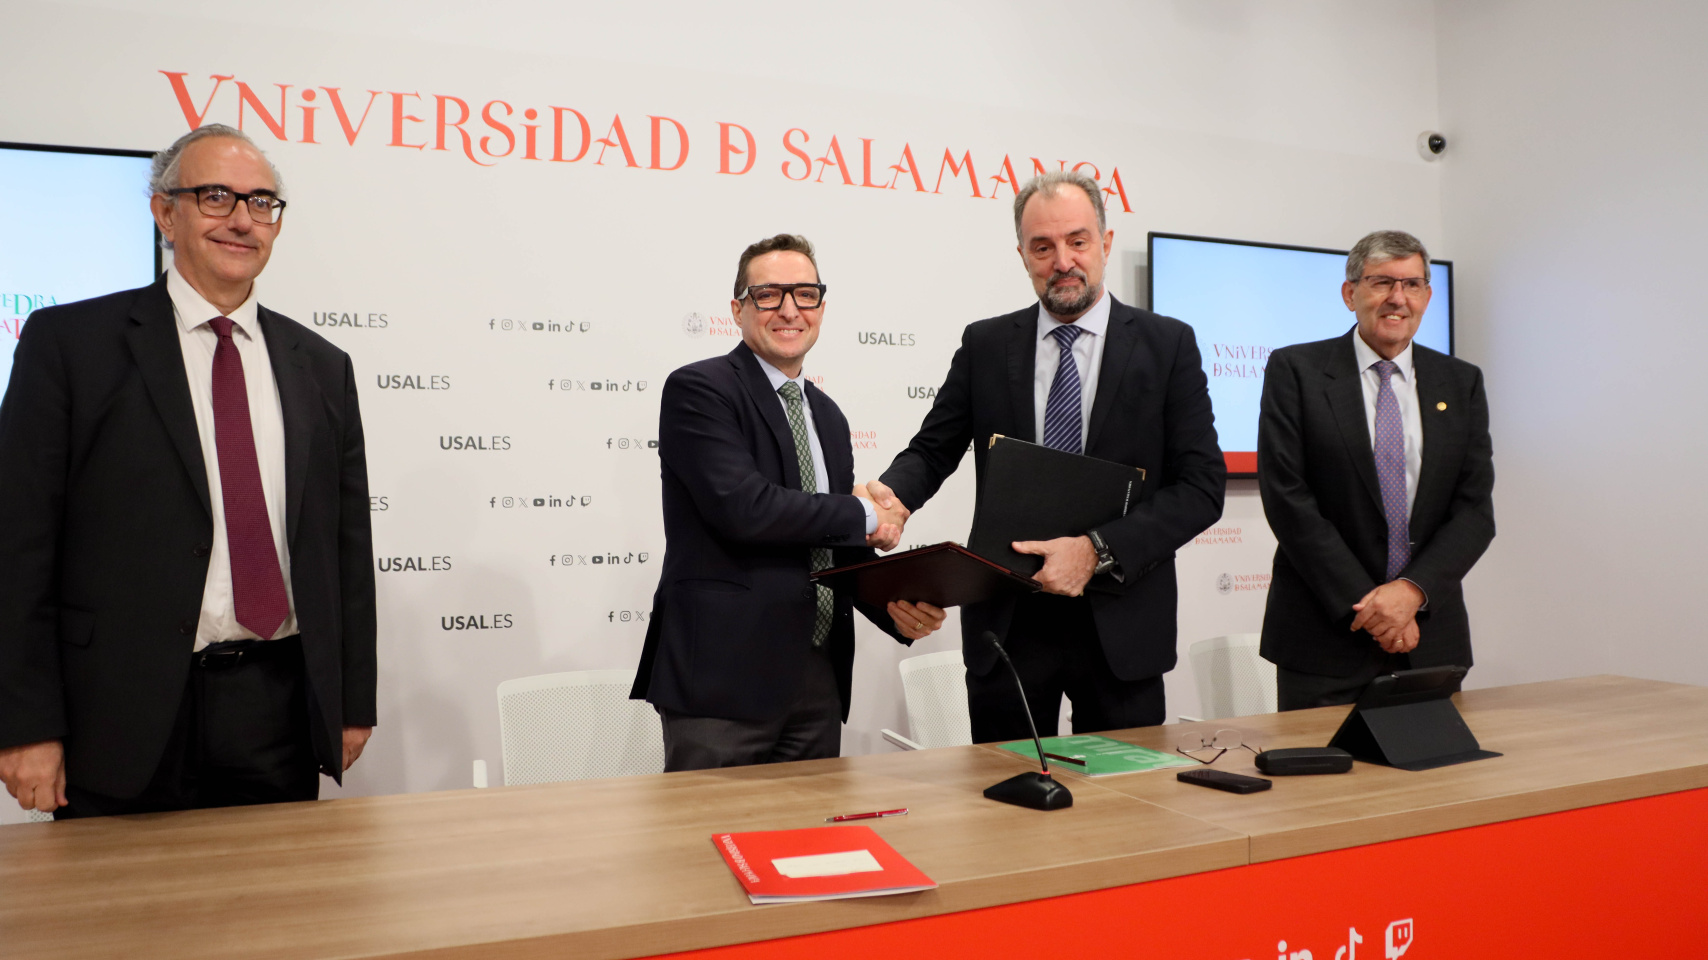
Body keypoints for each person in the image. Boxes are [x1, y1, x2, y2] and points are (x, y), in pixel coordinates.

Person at [0, 125, 377, 817]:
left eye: (262, 202)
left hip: (277, 709)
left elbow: (346, 551)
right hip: (119, 712)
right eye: (216, 196)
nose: (241, 218)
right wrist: (25, 723)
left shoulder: (322, 366)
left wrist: (350, 704)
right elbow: (17, 548)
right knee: (117, 921)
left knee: (276, 916)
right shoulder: (71, 347)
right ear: (163, 212)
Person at [865, 172, 1226, 742]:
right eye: (1043, 246)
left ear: (1106, 244)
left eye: (1078, 241)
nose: (1063, 260)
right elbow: (932, 451)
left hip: (1120, 622)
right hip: (1008, 624)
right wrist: (893, 497)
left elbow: (1202, 488)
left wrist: (1096, 551)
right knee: (1005, 814)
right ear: (1022, 254)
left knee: (1126, 816)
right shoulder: (986, 344)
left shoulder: (1167, 345)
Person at [631, 234, 942, 771]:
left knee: (808, 847)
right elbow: (745, 508)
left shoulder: (830, 417)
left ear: (822, 306)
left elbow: (833, 550)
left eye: (805, 294)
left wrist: (894, 605)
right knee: (709, 845)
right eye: (769, 295)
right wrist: (869, 513)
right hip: (722, 682)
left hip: (816, 678)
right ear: (738, 308)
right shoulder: (699, 390)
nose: (789, 310)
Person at [1257, 230, 1495, 709]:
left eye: (1412, 285)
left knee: (1434, 783)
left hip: (1428, 639)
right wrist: (1375, 608)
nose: (1397, 299)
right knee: (1324, 783)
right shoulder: (1296, 371)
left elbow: (1474, 512)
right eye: (1381, 282)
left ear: (1427, 295)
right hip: (1324, 640)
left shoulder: (1461, 381)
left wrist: (1410, 593)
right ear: (1350, 293)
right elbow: (1288, 499)